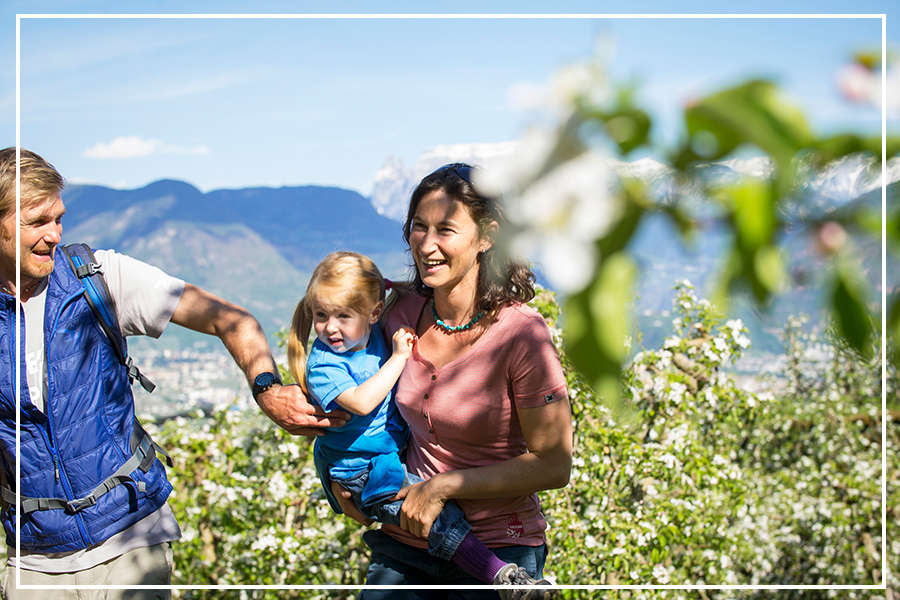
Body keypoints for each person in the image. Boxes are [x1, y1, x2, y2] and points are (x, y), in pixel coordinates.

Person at [0, 147, 348, 600]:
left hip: (130, 536)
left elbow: (230, 319)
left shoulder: (98, 278)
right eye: (37, 222)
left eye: (58, 219)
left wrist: (267, 388)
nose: (54, 234)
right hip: (36, 558)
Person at [331, 163, 573, 600]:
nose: (427, 245)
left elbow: (555, 464)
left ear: (487, 236)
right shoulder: (399, 313)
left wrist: (442, 487)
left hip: (499, 554)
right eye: (418, 227)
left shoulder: (521, 334)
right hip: (404, 542)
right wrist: (340, 478)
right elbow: (352, 388)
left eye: (446, 230)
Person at [287, 251, 553, 598]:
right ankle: (501, 578)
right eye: (320, 315)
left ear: (373, 313)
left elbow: (554, 462)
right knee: (439, 520)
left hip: (393, 470)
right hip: (365, 472)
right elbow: (362, 403)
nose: (330, 327)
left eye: (342, 315)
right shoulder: (327, 362)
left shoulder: (376, 331)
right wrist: (400, 357)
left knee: (439, 515)